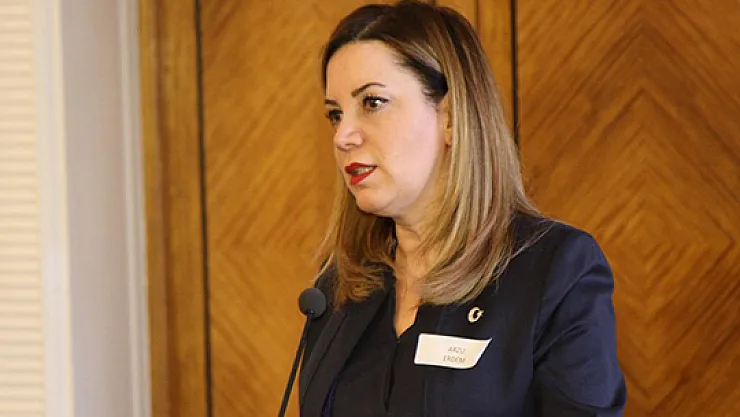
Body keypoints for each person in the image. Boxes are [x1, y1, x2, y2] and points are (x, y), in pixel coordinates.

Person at [298, 1, 627, 416]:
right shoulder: (339, 286)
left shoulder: (555, 271)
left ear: (451, 118)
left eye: (373, 103)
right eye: (335, 114)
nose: (343, 136)